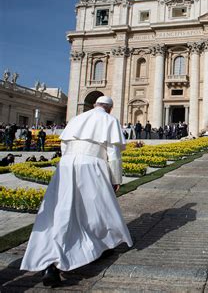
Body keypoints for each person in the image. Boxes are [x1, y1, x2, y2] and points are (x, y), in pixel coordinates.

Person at [20, 96, 132, 287]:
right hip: (92, 166)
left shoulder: (77, 119)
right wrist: (115, 179)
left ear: (95, 105)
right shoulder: (108, 120)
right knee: (95, 210)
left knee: (60, 212)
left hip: (66, 166)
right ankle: (91, 249)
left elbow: (64, 146)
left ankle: (51, 262)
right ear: (110, 109)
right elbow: (113, 155)